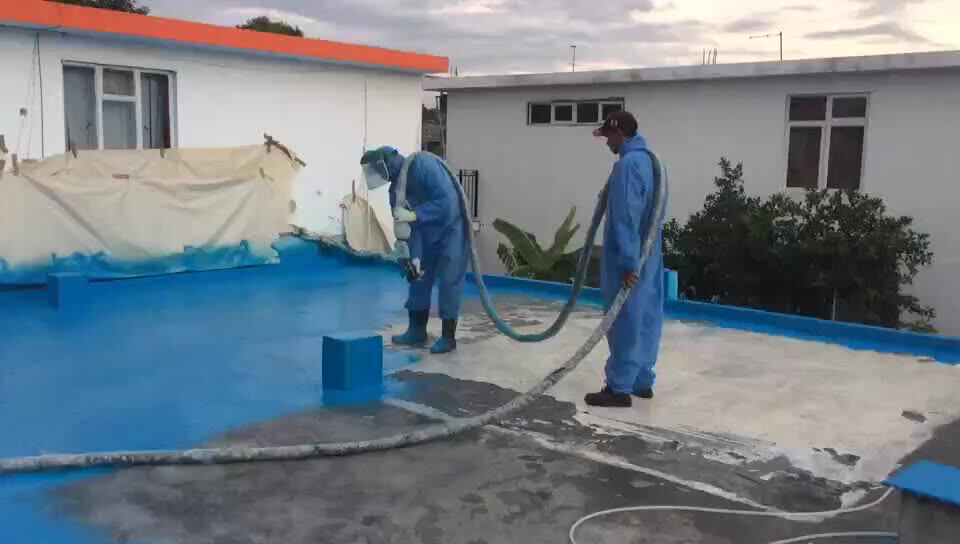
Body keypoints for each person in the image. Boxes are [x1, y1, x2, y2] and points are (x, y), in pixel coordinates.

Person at [584, 111, 665, 408]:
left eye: (608, 136)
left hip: (630, 257)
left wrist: (629, 263)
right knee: (645, 317)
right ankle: (642, 381)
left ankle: (618, 388)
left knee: (624, 319)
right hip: (650, 253)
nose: (606, 142)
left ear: (619, 134)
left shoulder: (627, 166)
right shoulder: (652, 162)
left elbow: (625, 218)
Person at [359, 146, 467, 354]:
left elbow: (448, 203)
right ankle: (416, 331)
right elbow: (409, 230)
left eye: (375, 169)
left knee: (449, 280)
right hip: (425, 235)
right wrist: (414, 257)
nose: (375, 175)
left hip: (451, 230)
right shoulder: (395, 193)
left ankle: (448, 337)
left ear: (387, 163)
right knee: (418, 278)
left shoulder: (424, 165)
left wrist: (416, 214)